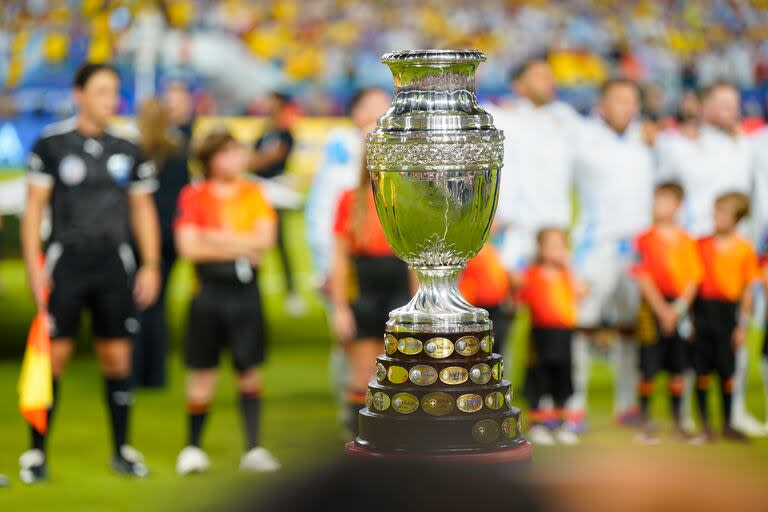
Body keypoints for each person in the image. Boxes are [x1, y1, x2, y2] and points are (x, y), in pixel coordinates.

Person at [20, 62, 161, 482]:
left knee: (117, 357)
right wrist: (35, 269)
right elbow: (33, 213)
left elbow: (143, 209)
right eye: (100, 91)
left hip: (113, 265)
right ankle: (35, 455)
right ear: (78, 94)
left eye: (114, 92)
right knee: (54, 358)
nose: (110, 100)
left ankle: (121, 449)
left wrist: (151, 264)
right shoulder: (52, 144)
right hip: (67, 264)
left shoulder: (128, 147)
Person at [656, 81, 760, 435]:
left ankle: (736, 412)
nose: (730, 109)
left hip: (735, 253)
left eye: (734, 103)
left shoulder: (746, 146)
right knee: (693, 338)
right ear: (703, 107)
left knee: (735, 336)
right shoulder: (681, 146)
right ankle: (686, 414)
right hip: (696, 252)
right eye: (721, 102)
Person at [173, 130, 279, 474]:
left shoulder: (253, 192)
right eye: (226, 153)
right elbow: (189, 248)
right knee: (203, 370)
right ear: (210, 159)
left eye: (237, 152)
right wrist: (241, 245)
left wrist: (215, 237)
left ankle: (254, 448)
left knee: (248, 369)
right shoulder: (194, 195)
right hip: (207, 293)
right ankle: (192, 447)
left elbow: (265, 240)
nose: (235, 159)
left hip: (245, 294)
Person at [303, 87, 390, 428]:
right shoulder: (340, 153)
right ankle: (352, 413)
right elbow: (323, 217)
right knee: (352, 346)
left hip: (389, 273)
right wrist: (325, 268)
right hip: (357, 271)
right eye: (370, 106)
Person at [570, 78, 654, 430]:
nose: (628, 107)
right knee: (582, 324)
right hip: (596, 244)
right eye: (620, 100)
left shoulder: (645, 142)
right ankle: (574, 405)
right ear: (602, 105)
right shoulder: (582, 138)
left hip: (636, 248)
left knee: (630, 327)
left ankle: (627, 403)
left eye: (633, 100)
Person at [330, 157, 411, 437]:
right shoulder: (350, 200)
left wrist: (417, 302)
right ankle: (359, 431)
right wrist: (340, 308)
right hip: (364, 291)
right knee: (364, 369)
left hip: (398, 291)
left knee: (398, 370)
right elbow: (339, 258)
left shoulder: (405, 200)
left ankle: (394, 431)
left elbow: (414, 261)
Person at [490, 56, 580, 281]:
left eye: (549, 76)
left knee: (553, 306)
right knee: (508, 299)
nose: (548, 81)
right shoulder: (503, 118)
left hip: (554, 231)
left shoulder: (565, 118)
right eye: (539, 76)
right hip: (514, 228)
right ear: (519, 85)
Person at [631, 182, 702, 443]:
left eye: (665, 200)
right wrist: (662, 310)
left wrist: (678, 309)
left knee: (678, 366)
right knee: (649, 365)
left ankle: (678, 420)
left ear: (678, 205)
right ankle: (645, 421)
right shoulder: (644, 239)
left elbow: (693, 278)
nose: (659, 206)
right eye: (656, 199)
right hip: (652, 308)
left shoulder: (687, 241)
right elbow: (642, 276)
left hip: (679, 309)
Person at [693, 192, 761, 442]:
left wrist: (742, 325)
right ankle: (705, 425)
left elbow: (747, 291)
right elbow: (691, 282)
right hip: (703, 312)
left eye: (722, 212)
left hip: (727, 314)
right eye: (715, 211)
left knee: (727, 371)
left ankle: (728, 424)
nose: (716, 217)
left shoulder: (744, 249)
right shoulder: (701, 245)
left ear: (737, 218)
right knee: (702, 370)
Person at [132, 97, 189, 389]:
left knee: (138, 302)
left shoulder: (134, 153)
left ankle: (136, 370)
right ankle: (156, 374)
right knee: (158, 302)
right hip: (169, 237)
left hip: (140, 237)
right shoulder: (178, 155)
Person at [518, 227, 585, 446]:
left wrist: (569, 265)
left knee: (563, 378)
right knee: (539, 377)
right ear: (541, 249)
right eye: (550, 246)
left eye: (560, 246)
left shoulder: (567, 274)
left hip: (563, 334)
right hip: (541, 334)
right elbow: (520, 295)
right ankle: (538, 423)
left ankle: (561, 421)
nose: (555, 251)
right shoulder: (533, 273)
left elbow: (581, 291)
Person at [250, 92, 303, 315]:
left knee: (279, 241)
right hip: (260, 189)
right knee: (255, 240)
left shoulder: (285, 133)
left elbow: (268, 158)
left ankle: (291, 291)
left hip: (274, 189)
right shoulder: (264, 133)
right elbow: (256, 159)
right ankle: (253, 286)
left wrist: (255, 160)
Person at [459, 244, 512, 358]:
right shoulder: (469, 248)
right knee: (474, 345)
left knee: (495, 344)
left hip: (496, 306)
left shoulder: (494, 249)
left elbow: (501, 276)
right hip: (474, 306)